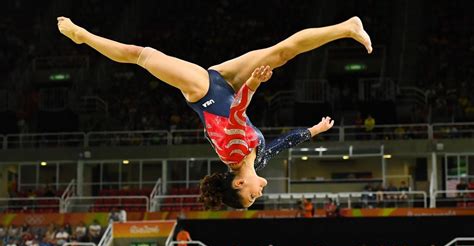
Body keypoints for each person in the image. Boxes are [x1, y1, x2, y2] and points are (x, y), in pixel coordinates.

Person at [57, 16, 372, 210]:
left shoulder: (232, 153)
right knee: (281, 53)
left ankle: (83, 36)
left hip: (203, 92)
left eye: (250, 198)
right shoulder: (258, 159)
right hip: (228, 85)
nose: (257, 196)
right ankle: (346, 27)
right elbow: (283, 144)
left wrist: (253, 82)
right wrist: (314, 132)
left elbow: (236, 114)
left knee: (141, 56)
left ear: (238, 185)